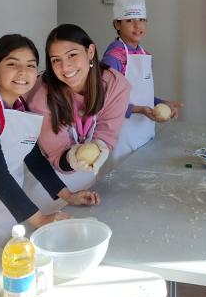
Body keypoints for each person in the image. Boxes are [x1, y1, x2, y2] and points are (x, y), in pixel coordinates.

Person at [0, 34, 100, 251]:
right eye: (12, 64)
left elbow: (33, 158)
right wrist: (40, 219)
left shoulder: (18, 106)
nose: (23, 72)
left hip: (12, 206)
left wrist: (68, 196)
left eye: (31, 65)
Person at [25, 24, 130, 206]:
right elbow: (56, 155)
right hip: (46, 183)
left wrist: (100, 147)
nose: (65, 67)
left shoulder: (115, 86)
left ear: (90, 51)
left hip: (88, 179)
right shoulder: (42, 97)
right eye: (56, 60)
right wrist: (73, 159)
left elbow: (106, 135)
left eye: (72, 55)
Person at [102, 0, 183, 163]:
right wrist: (140, 110)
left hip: (144, 131)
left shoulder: (143, 54)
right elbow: (104, 101)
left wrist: (162, 103)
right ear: (117, 24)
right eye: (130, 20)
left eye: (142, 20)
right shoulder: (113, 57)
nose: (138, 26)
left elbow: (142, 95)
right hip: (122, 134)